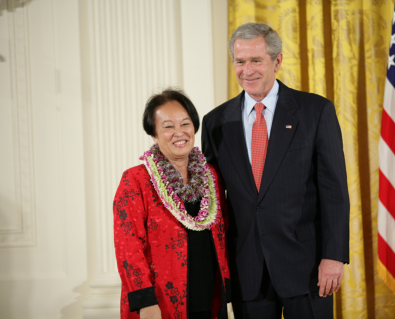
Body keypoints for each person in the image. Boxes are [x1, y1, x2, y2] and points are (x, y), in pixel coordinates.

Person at [201, 23, 350, 319]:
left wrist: (333, 257)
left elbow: (334, 191)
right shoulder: (215, 121)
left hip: (307, 267)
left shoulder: (315, 111)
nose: (247, 70)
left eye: (256, 60)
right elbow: (212, 200)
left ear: (277, 61)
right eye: (240, 62)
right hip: (247, 270)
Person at [113, 89, 230, 319]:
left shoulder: (211, 177)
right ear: (154, 134)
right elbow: (128, 248)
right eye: (168, 126)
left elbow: (224, 232)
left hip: (210, 300)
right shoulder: (136, 180)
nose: (179, 132)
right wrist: (145, 301)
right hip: (162, 304)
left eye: (185, 123)